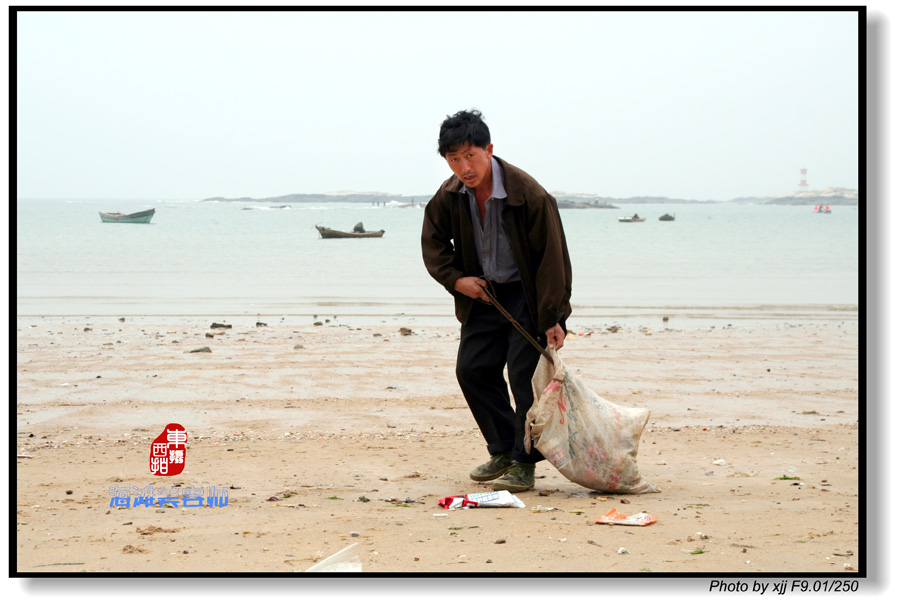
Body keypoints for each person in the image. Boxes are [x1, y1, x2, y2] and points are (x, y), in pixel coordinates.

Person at [421, 109, 572, 493]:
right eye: (454, 159)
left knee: (523, 381)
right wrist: (458, 280)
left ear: (489, 149)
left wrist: (555, 316)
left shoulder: (530, 194)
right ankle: (503, 448)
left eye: (470, 155)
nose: (463, 167)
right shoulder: (450, 194)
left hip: (526, 297)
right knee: (472, 370)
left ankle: (524, 464)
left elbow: (553, 259)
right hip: (482, 296)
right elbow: (433, 244)